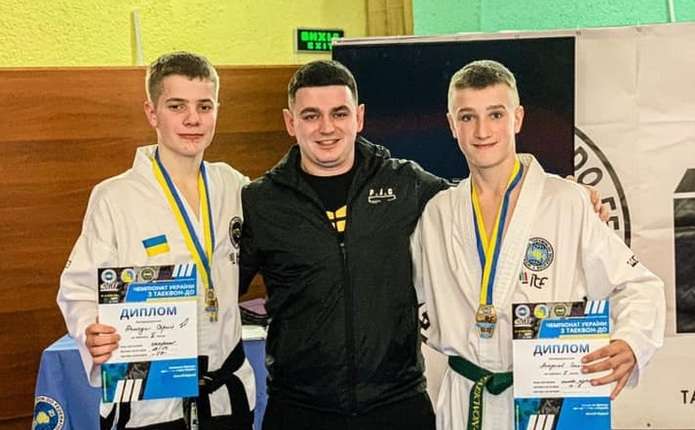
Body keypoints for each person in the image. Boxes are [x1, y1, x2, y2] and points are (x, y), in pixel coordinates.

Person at [410, 59, 665, 430]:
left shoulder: (566, 202)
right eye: (467, 117)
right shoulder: (437, 213)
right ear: (452, 125)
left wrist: (631, 342)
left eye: (495, 114)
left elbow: (639, 285)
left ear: (517, 118)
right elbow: (400, 295)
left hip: (552, 395)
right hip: (468, 399)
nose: (482, 130)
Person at [239, 60, 449, 429]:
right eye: (311, 116)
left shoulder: (406, 185)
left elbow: (479, 209)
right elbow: (219, 290)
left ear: (359, 117)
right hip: (299, 410)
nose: (326, 128)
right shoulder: (260, 202)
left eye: (339, 113)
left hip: (397, 406)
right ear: (290, 122)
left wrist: (557, 195)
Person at [57, 52, 255, 430]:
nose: (193, 119)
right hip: (149, 403)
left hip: (225, 397)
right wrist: (89, 329)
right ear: (152, 113)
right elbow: (77, 288)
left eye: (204, 106)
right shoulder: (115, 197)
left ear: (217, 110)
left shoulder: (234, 186)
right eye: (177, 106)